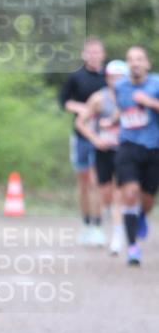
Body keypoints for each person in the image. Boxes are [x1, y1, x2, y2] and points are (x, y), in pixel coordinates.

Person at [74, 60, 128, 255]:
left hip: (125, 151)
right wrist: (95, 139)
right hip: (103, 150)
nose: (117, 81)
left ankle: (117, 237)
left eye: (122, 77)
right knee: (103, 192)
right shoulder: (99, 99)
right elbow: (81, 123)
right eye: (114, 77)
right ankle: (102, 223)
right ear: (107, 78)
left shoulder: (131, 98)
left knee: (119, 193)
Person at [113, 45, 159, 266]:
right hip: (128, 146)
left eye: (140, 59)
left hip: (153, 148)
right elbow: (122, 111)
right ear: (127, 64)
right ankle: (132, 247)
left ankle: (140, 217)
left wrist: (149, 102)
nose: (135, 63)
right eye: (131, 59)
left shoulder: (156, 83)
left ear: (147, 63)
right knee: (130, 194)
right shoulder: (120, 86)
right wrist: (111, 121)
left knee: (147, 201)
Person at [59, 38, 107, 245]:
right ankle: (86, 223)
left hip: (103, 137)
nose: (94, 56)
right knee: (83, 182)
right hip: (80, 135)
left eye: (98, 52)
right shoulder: (75, 77)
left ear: (103, 55)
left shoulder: (110, 77)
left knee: (98, 182)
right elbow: (64, 102)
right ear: (84, 54)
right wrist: (84, 110)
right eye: (90, 52)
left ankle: (97, 224)